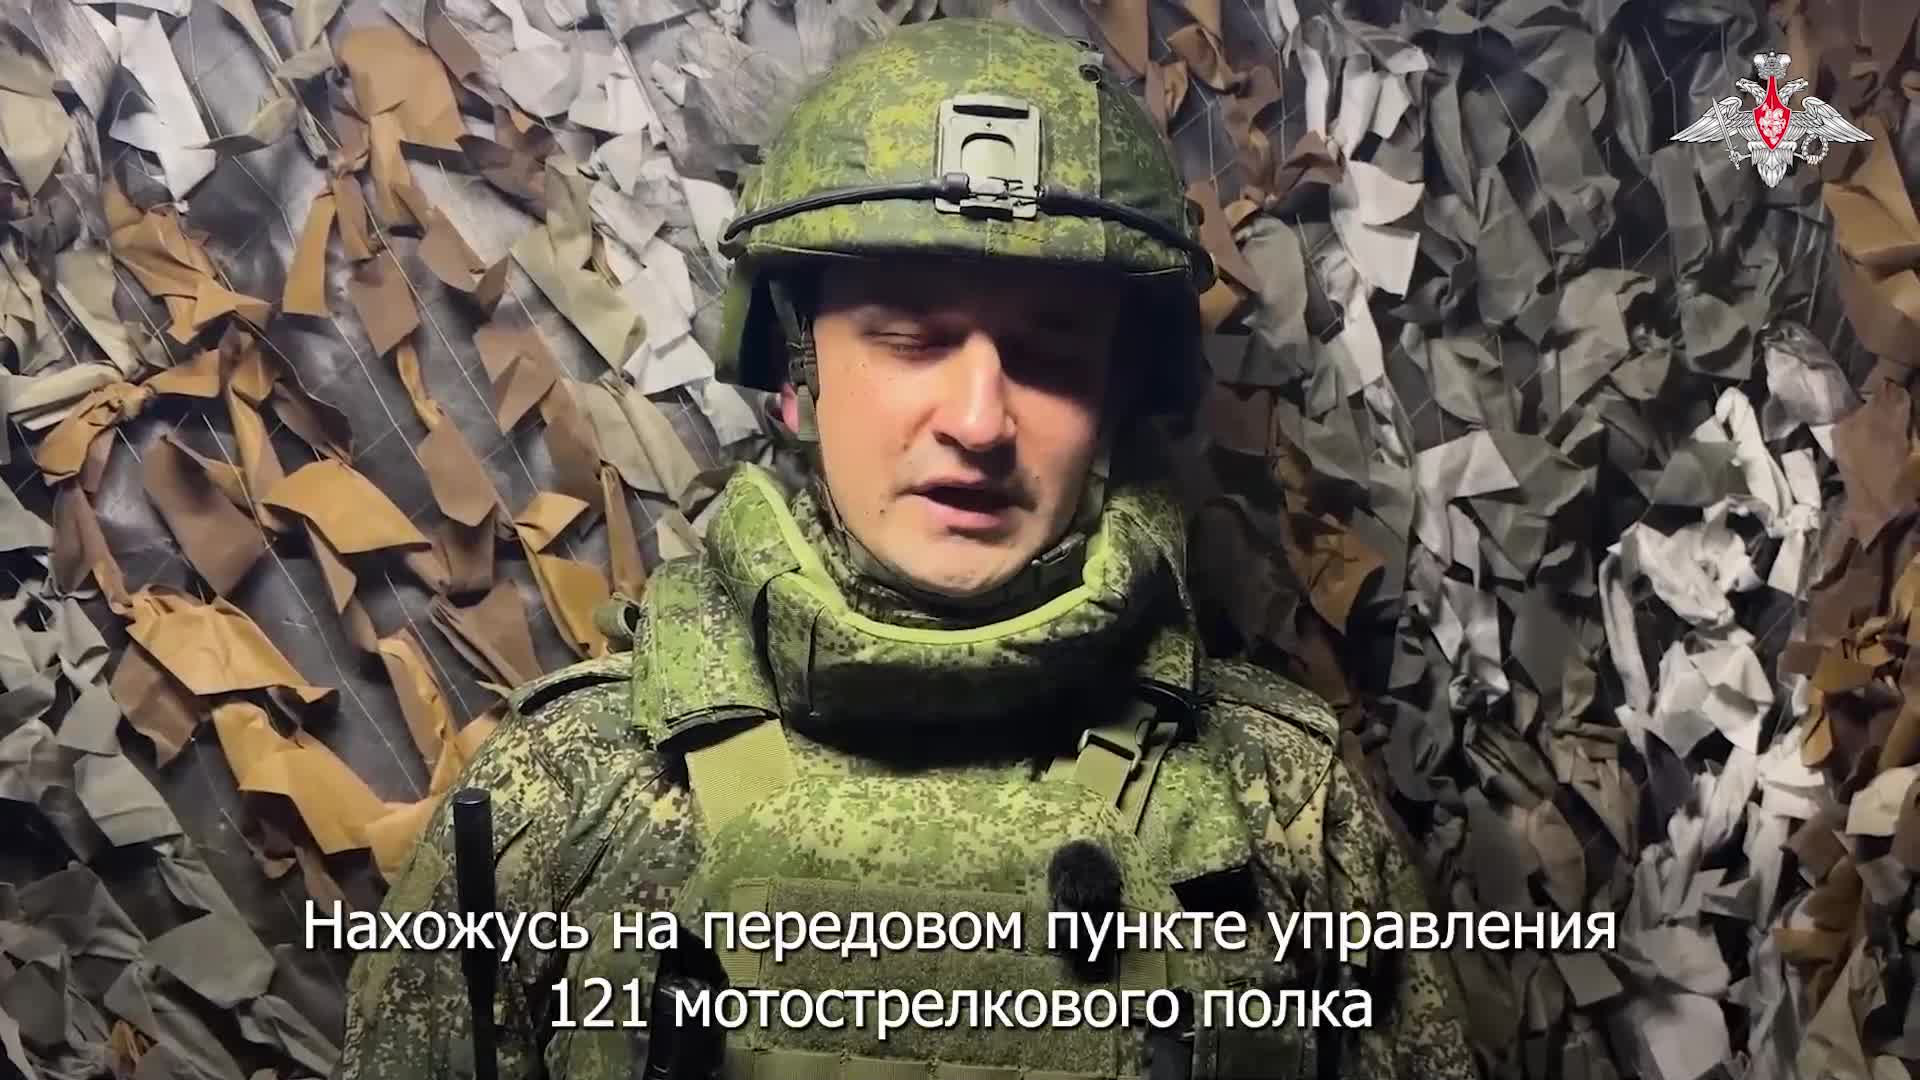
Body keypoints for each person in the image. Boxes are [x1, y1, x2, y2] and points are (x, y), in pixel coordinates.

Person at [335, 17, 1478, 1080]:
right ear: (800, 371)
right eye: (912, 337)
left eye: (1051, 354)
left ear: (1120, 393)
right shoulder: (564, 791)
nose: (979, 422)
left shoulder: (1284, 800)